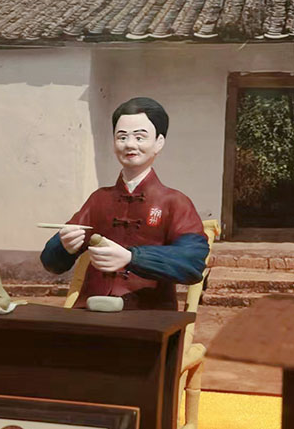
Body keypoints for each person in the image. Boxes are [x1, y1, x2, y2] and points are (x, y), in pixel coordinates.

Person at [40, 97, 209, 310]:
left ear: (159, 142)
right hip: (89, 311)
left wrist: (132, 258)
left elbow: (193, 262)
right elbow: (51, 264)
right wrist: (62, 246)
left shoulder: (174, 202)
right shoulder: (99, 199)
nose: (129, 144)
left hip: (149, 315)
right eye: (122, 137)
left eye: (140, 137)